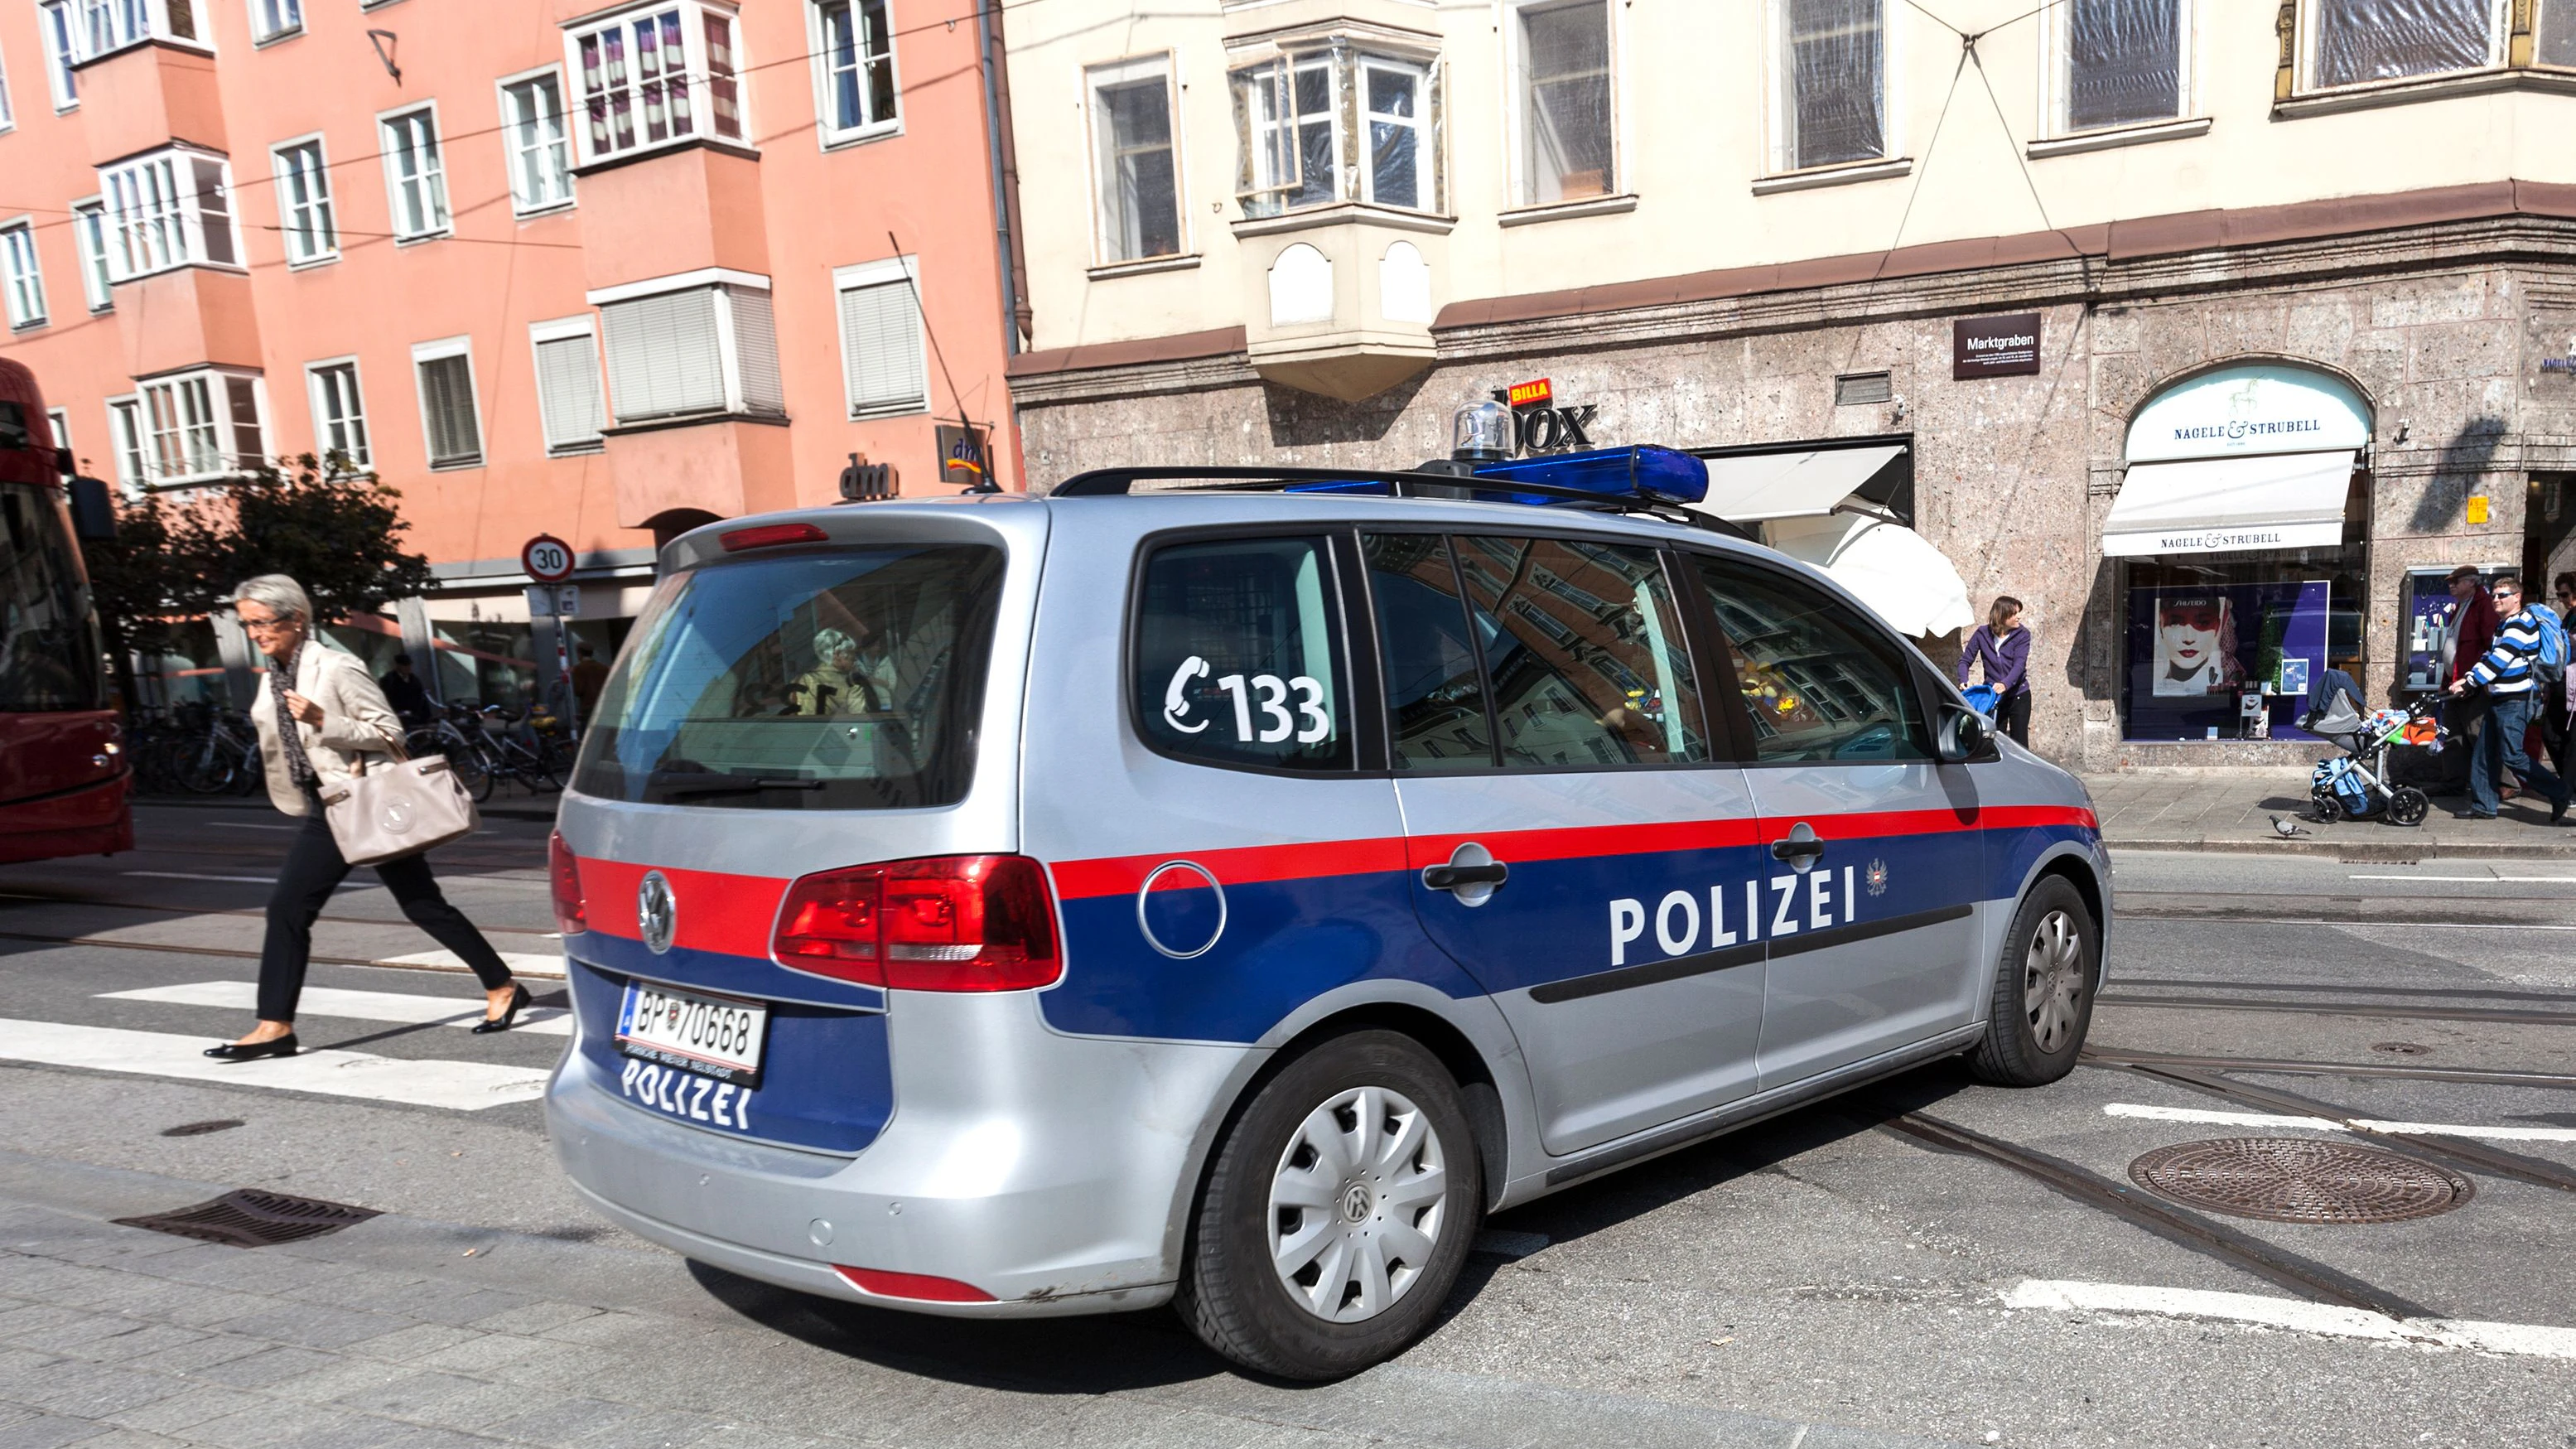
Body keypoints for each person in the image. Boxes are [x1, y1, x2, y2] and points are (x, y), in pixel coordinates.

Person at [205, 576, 532, 1062]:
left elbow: (388, 730)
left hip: (364, 801)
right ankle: (274, 1026)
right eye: (246, 624)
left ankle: (502, 987)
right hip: (327, 808)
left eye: (261, 622)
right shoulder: (273, 676)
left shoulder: (336, 667)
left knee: (421, 905)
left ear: (296, 618)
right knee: (289, 909)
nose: (253, 633)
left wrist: (323, 721)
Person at [2445, 573, 2569, 824]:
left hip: (2516, 699)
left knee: (2512, 755)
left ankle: (2560, 792)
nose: (2495, 599)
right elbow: (2489, 656)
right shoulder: (2504, 624)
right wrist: (2468, 679)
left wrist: (2470, 682)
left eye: (2502, 595)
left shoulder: (2520, 624)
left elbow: (2500, 660)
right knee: (2484, 753)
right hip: (2499, 698)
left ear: (2517, 597)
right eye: (2493, 595)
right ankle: (2484, 806)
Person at [1957, 596, 2033, 746]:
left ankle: (2020, 770)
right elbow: (1965, 660)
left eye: (2019, 612)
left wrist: (2005, 684)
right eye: (2014, 614)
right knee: (1993, 742)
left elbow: (2019, 665)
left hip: (2018, 695)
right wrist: (1963, 680)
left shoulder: (2023, 635)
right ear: (2002, 616)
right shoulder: (1982, 634)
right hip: (1994, 697)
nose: (2019, 617)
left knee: (2020, 744)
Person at [378, 652, 435, 728]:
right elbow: (387, 699)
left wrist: (427, 716)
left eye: (409, 665)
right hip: (400, 718)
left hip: (417, 717)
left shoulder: (414, 679)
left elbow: (422, 698)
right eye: (404, 665)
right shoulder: (389, 680)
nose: (408, 668)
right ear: (398, 666)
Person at [570, 641, 610, 722]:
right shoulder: (603, 667)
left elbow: (578, 690)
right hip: (604, 705)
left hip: (588, 706)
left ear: (579, 653)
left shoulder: (579, 668)